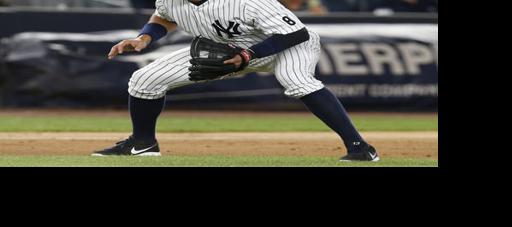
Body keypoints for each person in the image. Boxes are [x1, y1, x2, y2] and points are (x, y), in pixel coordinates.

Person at [93, 0, 379, 162]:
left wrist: (250, 53)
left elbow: (297, 34)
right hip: (229, 51)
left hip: (286, 46)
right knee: (145, 79)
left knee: (297, 80)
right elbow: (163, 17)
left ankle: (360, 149)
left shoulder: (246, 1)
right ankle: (142, 143)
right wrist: (144, 38)